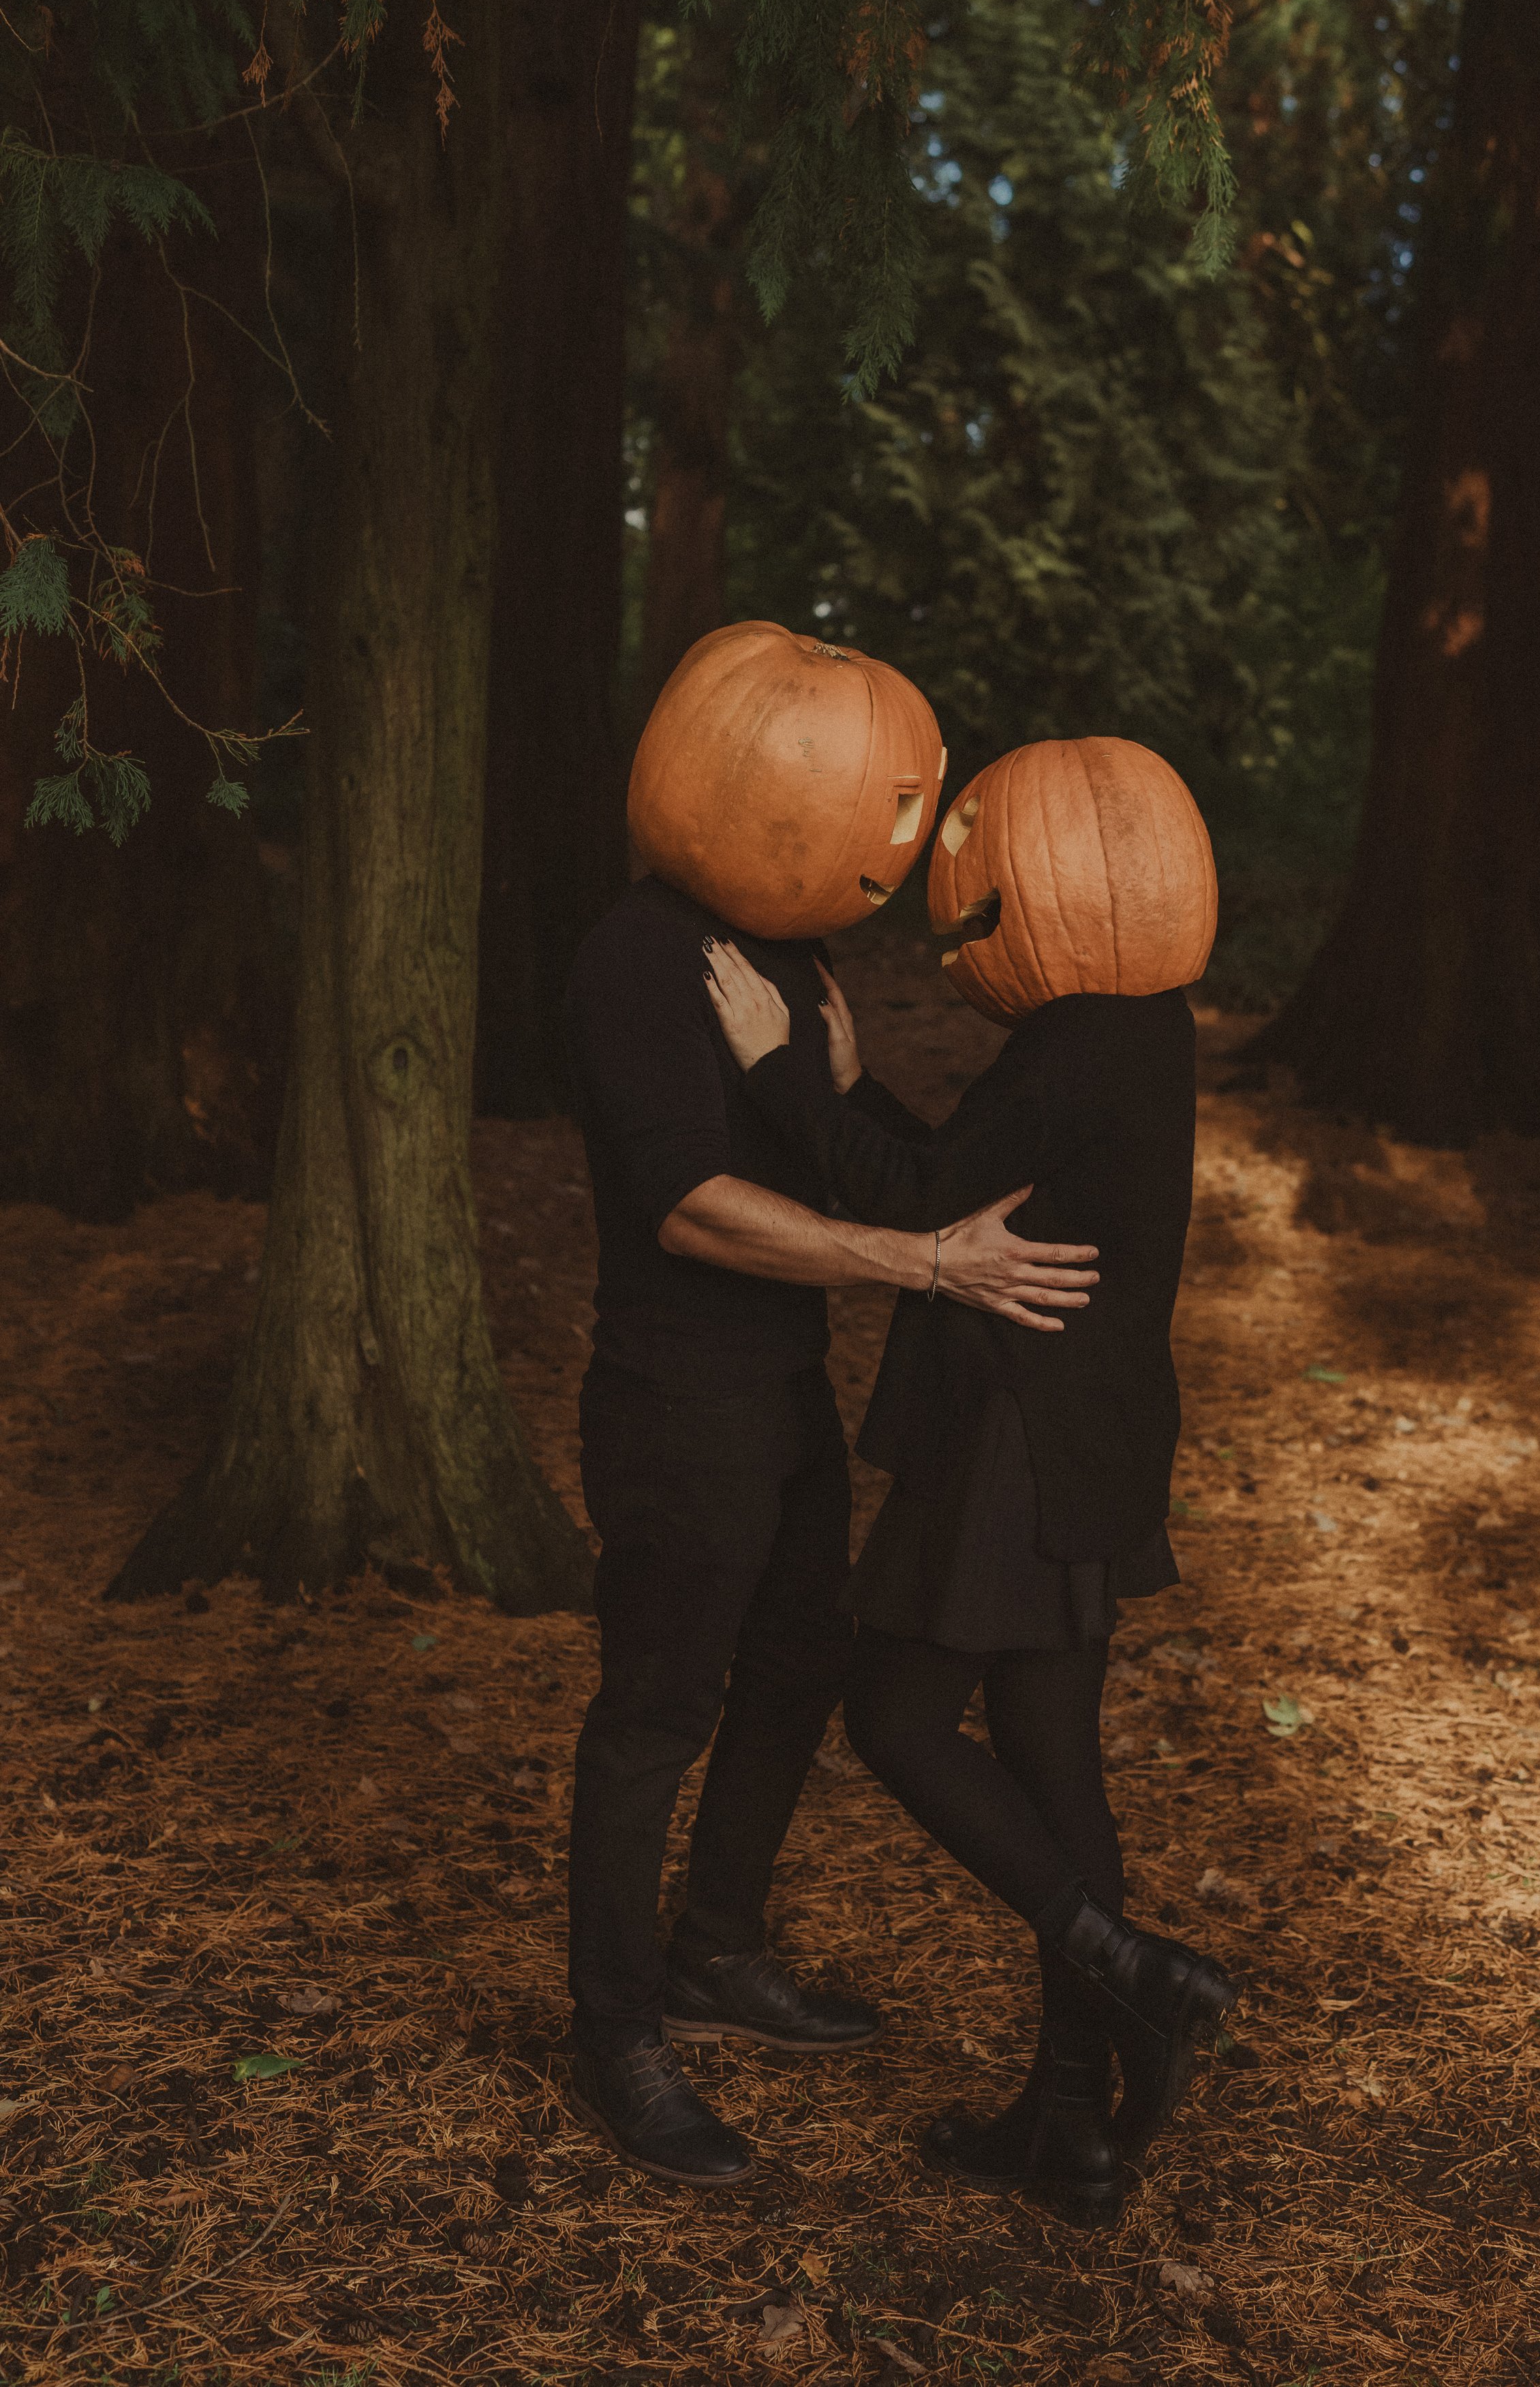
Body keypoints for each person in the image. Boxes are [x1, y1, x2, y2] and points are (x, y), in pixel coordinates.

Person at [561, 872, 1100, 2189]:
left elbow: (865, 1164)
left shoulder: (789, 945)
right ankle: (616, 2030)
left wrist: (844, 1089)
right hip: (673, 1404)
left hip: (787, 1392)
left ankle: (716, 1951)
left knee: (802, 1665)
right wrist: (926, 1264)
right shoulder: (637, 953)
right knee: (655, 1714)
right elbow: (689, 1204)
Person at [703, 929, 1235, 2223]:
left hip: (1014, 1435)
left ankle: (1132, 1972)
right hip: (1092, 1430)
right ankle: (1070, 2122)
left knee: (894, 1716)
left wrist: (781, 1073)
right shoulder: (1148, 1022)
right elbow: (970, 1181)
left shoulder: (1076, 1032)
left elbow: (921, 1195)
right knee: (1053, 1758)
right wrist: (855, 1087)